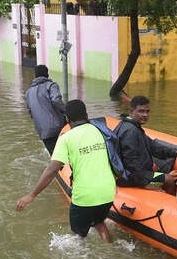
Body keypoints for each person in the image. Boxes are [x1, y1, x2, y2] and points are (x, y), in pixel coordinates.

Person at [16, 100, 116, 242]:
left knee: (77, 238)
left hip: (85, 197)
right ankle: (109, 249)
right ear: (86, 115)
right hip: (108, 192)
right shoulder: (100, 131)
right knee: (99, 222)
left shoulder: (66, 138)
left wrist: (32, 195)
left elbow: (52, 169)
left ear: (67, 119)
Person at [114, 95, 177, 188]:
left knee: (167, 174)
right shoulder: (130, 131)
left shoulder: (133, 127)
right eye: (141, 111)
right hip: (128, 177)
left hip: (137, 173)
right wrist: (145, 184)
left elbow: (152, 146)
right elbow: (131, 163)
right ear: (132, 112)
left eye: (147, 111)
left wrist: (175, 153)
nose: (145, 115)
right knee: (169, 179)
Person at [24, 64, 68, 154]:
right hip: (58, 127)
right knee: (67, 154)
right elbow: (56, 101)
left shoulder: (28, 93)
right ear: (47, 75)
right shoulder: (51, 85)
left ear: (35, 76)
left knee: (55, 157)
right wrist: (67, 112)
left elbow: (30, 112)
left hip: (43, 131)